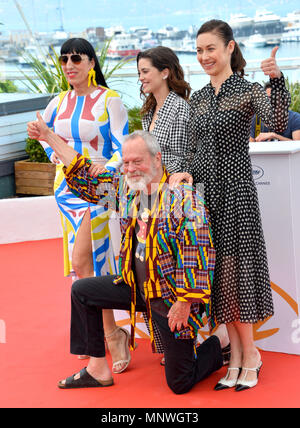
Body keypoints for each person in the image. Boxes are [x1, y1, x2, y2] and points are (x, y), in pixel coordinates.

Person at [26, 120, 230, 394]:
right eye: (127, 162)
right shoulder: (124, 190)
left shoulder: (185, 198)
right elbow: (83, 174)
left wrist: (184, 302)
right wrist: (49, 136)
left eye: (138, 161)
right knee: (82, 290)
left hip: (169, 298)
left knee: (180, 383)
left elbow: (199, 253)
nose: (131, 169)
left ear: (157, 159)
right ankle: (97, 368)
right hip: (135, 288)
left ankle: (220, 342)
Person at [170, 20, 290, 391]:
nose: (205, 56)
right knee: (220, 276)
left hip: (236, 193)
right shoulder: (200, 98)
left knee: (237, 276)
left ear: (230, 48)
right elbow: (193, 148)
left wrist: (278, 80)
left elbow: (277, 121)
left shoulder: (247, 90)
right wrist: (185, 172)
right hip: (206, 198)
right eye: (199, 50)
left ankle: (250, 354)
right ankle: (236, 355)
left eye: (211, 49)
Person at [36, 37, 131, 374]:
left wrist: (105, 164)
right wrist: (57, 154)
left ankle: (112, 333)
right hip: (66, 191)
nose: (69, 65)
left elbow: (124, 145)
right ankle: (103, 334)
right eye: (64, 60)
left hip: (99, 190)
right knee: (84, 266)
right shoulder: (57, 103)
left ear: (92, 62)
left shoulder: (110, 100)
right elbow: (45, 140)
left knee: (91, 259)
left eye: (76, 58)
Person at [137, 46, 191, 360]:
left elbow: (185, 159)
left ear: (165, 72)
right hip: (145, 199)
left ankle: (182, 344)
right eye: (140, 72)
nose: (141, 77)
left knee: (170, 271)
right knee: (147, 269)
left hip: (172, 202)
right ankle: (162, 343)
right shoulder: (147, 112)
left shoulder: (181, 108)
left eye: (146, 71)